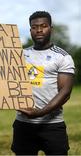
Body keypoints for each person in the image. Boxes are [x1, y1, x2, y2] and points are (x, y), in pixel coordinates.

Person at [11, 11, 75, 155]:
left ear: (51, 29)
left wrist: (39, 113)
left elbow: (65, 93)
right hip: (23, 124)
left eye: (43, 26)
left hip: (52, 126)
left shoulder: (63, 57)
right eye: (34, 27)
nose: (39, 30)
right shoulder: (20, 55)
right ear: (30, 30)